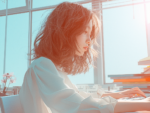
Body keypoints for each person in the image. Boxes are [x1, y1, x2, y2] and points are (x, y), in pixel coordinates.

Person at [19, 2, 150, 113]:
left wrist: (115, 95)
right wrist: (143, 105)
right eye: (85, 32)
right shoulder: (42, 65)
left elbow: (78, 96)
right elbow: (79, 106)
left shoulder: (52, 67)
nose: (90, 40)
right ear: (67, 31)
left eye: (90, 33)